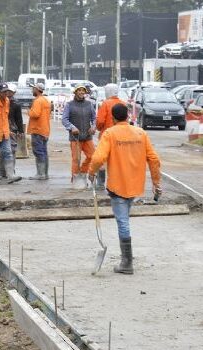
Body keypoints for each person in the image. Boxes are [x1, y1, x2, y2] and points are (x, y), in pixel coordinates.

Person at [88, 103, 161, 275]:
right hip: (135, 185)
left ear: (113, 118)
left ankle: (127, 263)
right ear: (128, 116)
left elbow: (99, 157)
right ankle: (126, 260)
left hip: (118, 185)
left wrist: (91, 172)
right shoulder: (140, 133)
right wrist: (156, 183)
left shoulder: (110, 133)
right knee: (124, 218)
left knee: (123, 222)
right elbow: (154, 159)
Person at [62, 85, 97, 189]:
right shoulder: (69, 105)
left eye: (83, 91)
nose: (82, 92)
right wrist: (71, 127)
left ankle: (83, 172)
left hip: (87, 136)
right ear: (75, 92)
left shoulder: (89, 104)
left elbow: (94, 118)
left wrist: (93, 127)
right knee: (76, 159)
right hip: (75, 137)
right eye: (80, 91)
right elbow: (64, 120)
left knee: (92, 157)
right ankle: (76, 180)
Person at [93, 83, 126, 190]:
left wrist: (98, 128)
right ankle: (118, 182)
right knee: (119, 160)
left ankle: (101, 184)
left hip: (106, 136)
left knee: (102, 159)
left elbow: (100, 121)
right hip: (122, 136)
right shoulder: (123, 104)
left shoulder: (106, 104)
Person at [27, 82, 52, 180]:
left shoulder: (37, 101)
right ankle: (45, 173)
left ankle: (40, 174)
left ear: (37, 90)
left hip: (37, 130)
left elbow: (35, 114)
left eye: (33, 89)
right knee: (44, 152)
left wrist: (29, 112)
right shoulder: (46, 100)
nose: (32, 90)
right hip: (45, 129)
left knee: (38, 152)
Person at [0, 83, 24, 178]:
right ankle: (2, 172)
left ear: (13, 93)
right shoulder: (1, 102)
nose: (7, 93)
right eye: (6, 91)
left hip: (12, 130)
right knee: (2, 152)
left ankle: (10, 171)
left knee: (12, 151)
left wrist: (20, 131)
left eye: (9, 92)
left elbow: (19, 119)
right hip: (2, 129)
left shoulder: (16, 104)